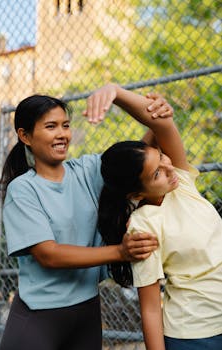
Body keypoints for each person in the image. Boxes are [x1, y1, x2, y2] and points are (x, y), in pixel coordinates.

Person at [0, 89, 168, 350]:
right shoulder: (22, 190)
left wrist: (156, 114)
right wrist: (120, 252)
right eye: (51, 126)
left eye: (65, 125)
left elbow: (139, 160)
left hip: (87, 310)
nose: (62, 134)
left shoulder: (87, 170)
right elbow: (49, 254)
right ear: (25, 136)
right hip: (39, 317)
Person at [96, 84, 222, 350]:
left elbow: (162, 123)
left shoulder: (181, 183)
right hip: (196, 336)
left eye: (162, 156)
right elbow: (151, 310)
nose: (168, 167)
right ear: (136, 193)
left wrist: (115, 92)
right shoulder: (144, 225)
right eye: (156, 174)